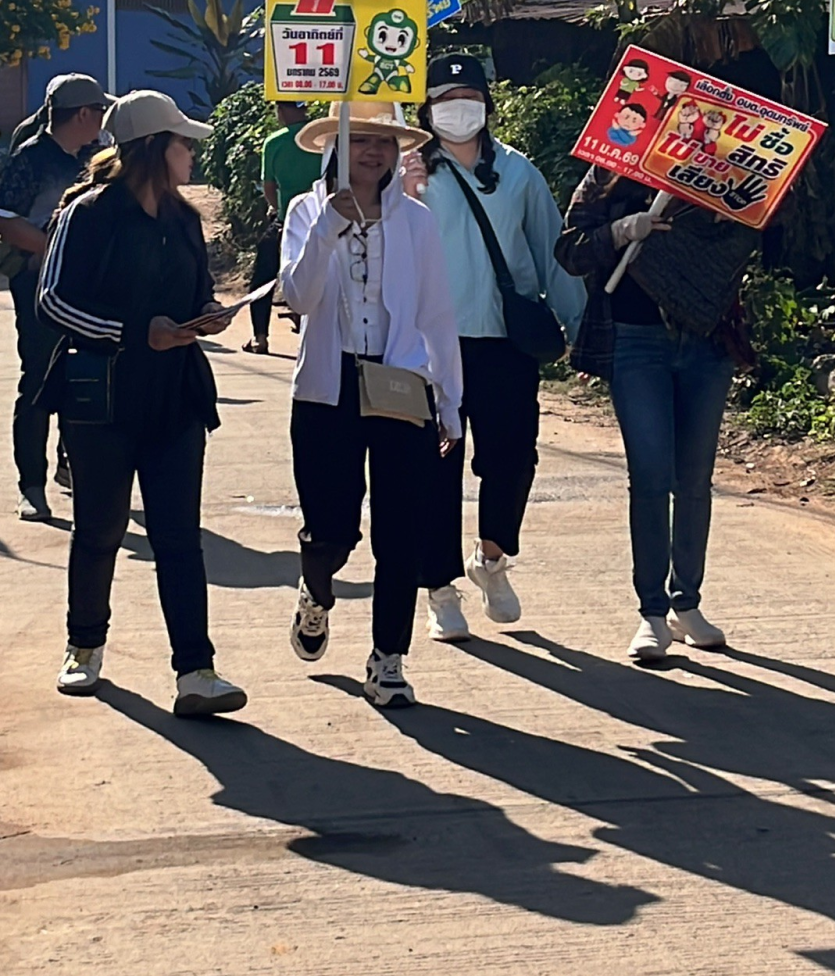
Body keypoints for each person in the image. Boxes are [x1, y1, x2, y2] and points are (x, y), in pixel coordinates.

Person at [37, 89, 247, 718]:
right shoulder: (90, 213)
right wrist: (133, 334)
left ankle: (196, 672)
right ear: (156, 148)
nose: (192, 153)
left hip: (176, 397)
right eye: (183, 142)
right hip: (102, 402)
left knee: (179, 536)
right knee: (99, 529)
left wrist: (207, 315)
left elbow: (198, 290)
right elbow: (54, 301)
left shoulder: (185, 220)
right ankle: (84, 646)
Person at [279, 100, 462, 709]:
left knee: (400, 529)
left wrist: (450, 400)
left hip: (400, 385)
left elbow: (436, 313)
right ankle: (317, 588)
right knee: (331, 526)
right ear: (337, 146)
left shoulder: (416, 222)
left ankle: (389, 657)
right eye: (361, 140)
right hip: (327, 389)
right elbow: (297, 299)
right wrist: (329, 227)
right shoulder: (307, 211)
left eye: (385, 142)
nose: (374, 152)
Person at [402, 54, 585, 641]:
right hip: (428, 346)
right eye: (446, 97)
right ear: (427, 108)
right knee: (434, 468)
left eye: (469, 95)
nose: (459, 107)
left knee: (512, 458)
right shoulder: (408, 172)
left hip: (504, 341)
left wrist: (579, 327)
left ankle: (493, 557)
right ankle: (439, 589)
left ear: (487, 103)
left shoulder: (519, 173)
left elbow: (551, 250)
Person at [555, 164, 757, 663]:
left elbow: (763, 237)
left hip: (708, 341)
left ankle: (687, 602)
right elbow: (571, 251)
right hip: (634, 341)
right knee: (649, 475)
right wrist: (622, 230)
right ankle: (652, 612)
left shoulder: (729, 171)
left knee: (694, 479)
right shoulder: (611, 171)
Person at [0, 73, 107, 520]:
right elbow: (4, 220)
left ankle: (71, 466)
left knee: (83, 377)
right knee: (39, 380)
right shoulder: (31, 158)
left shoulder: (100, 156)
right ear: (81, 114)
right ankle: (31, 486)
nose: (102, 119)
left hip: (90, 289)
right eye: (98, 111)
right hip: (37, 285)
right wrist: (58, 249)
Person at [243, 101, 316, 353]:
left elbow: (269, 188)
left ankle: (259, 337)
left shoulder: (274, 142)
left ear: (281, 111)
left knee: (263, 278)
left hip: (287, 220)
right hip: (324, 219)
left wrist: (280, 211)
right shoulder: (321, 137)